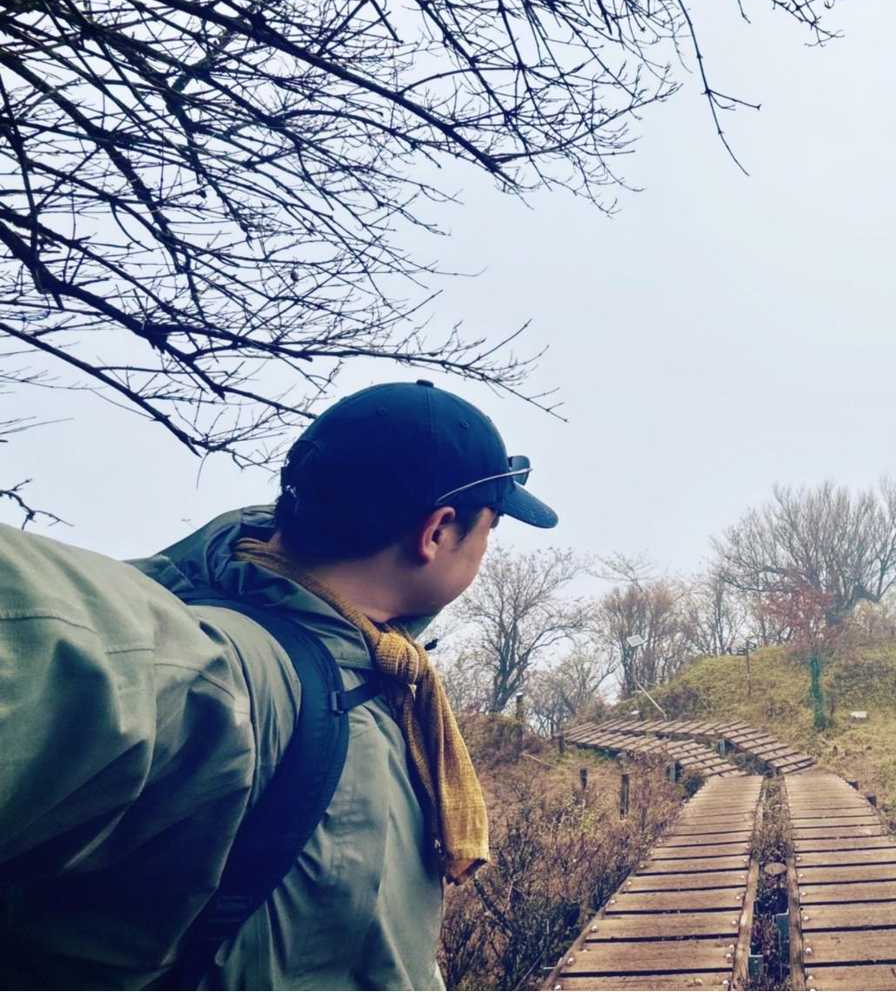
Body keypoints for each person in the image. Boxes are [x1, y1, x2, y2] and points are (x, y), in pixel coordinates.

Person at [0, 380, 557, 988]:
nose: (485, 549)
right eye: (490, 528)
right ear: (437, 532)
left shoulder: (375, 668)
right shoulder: (222, 672)